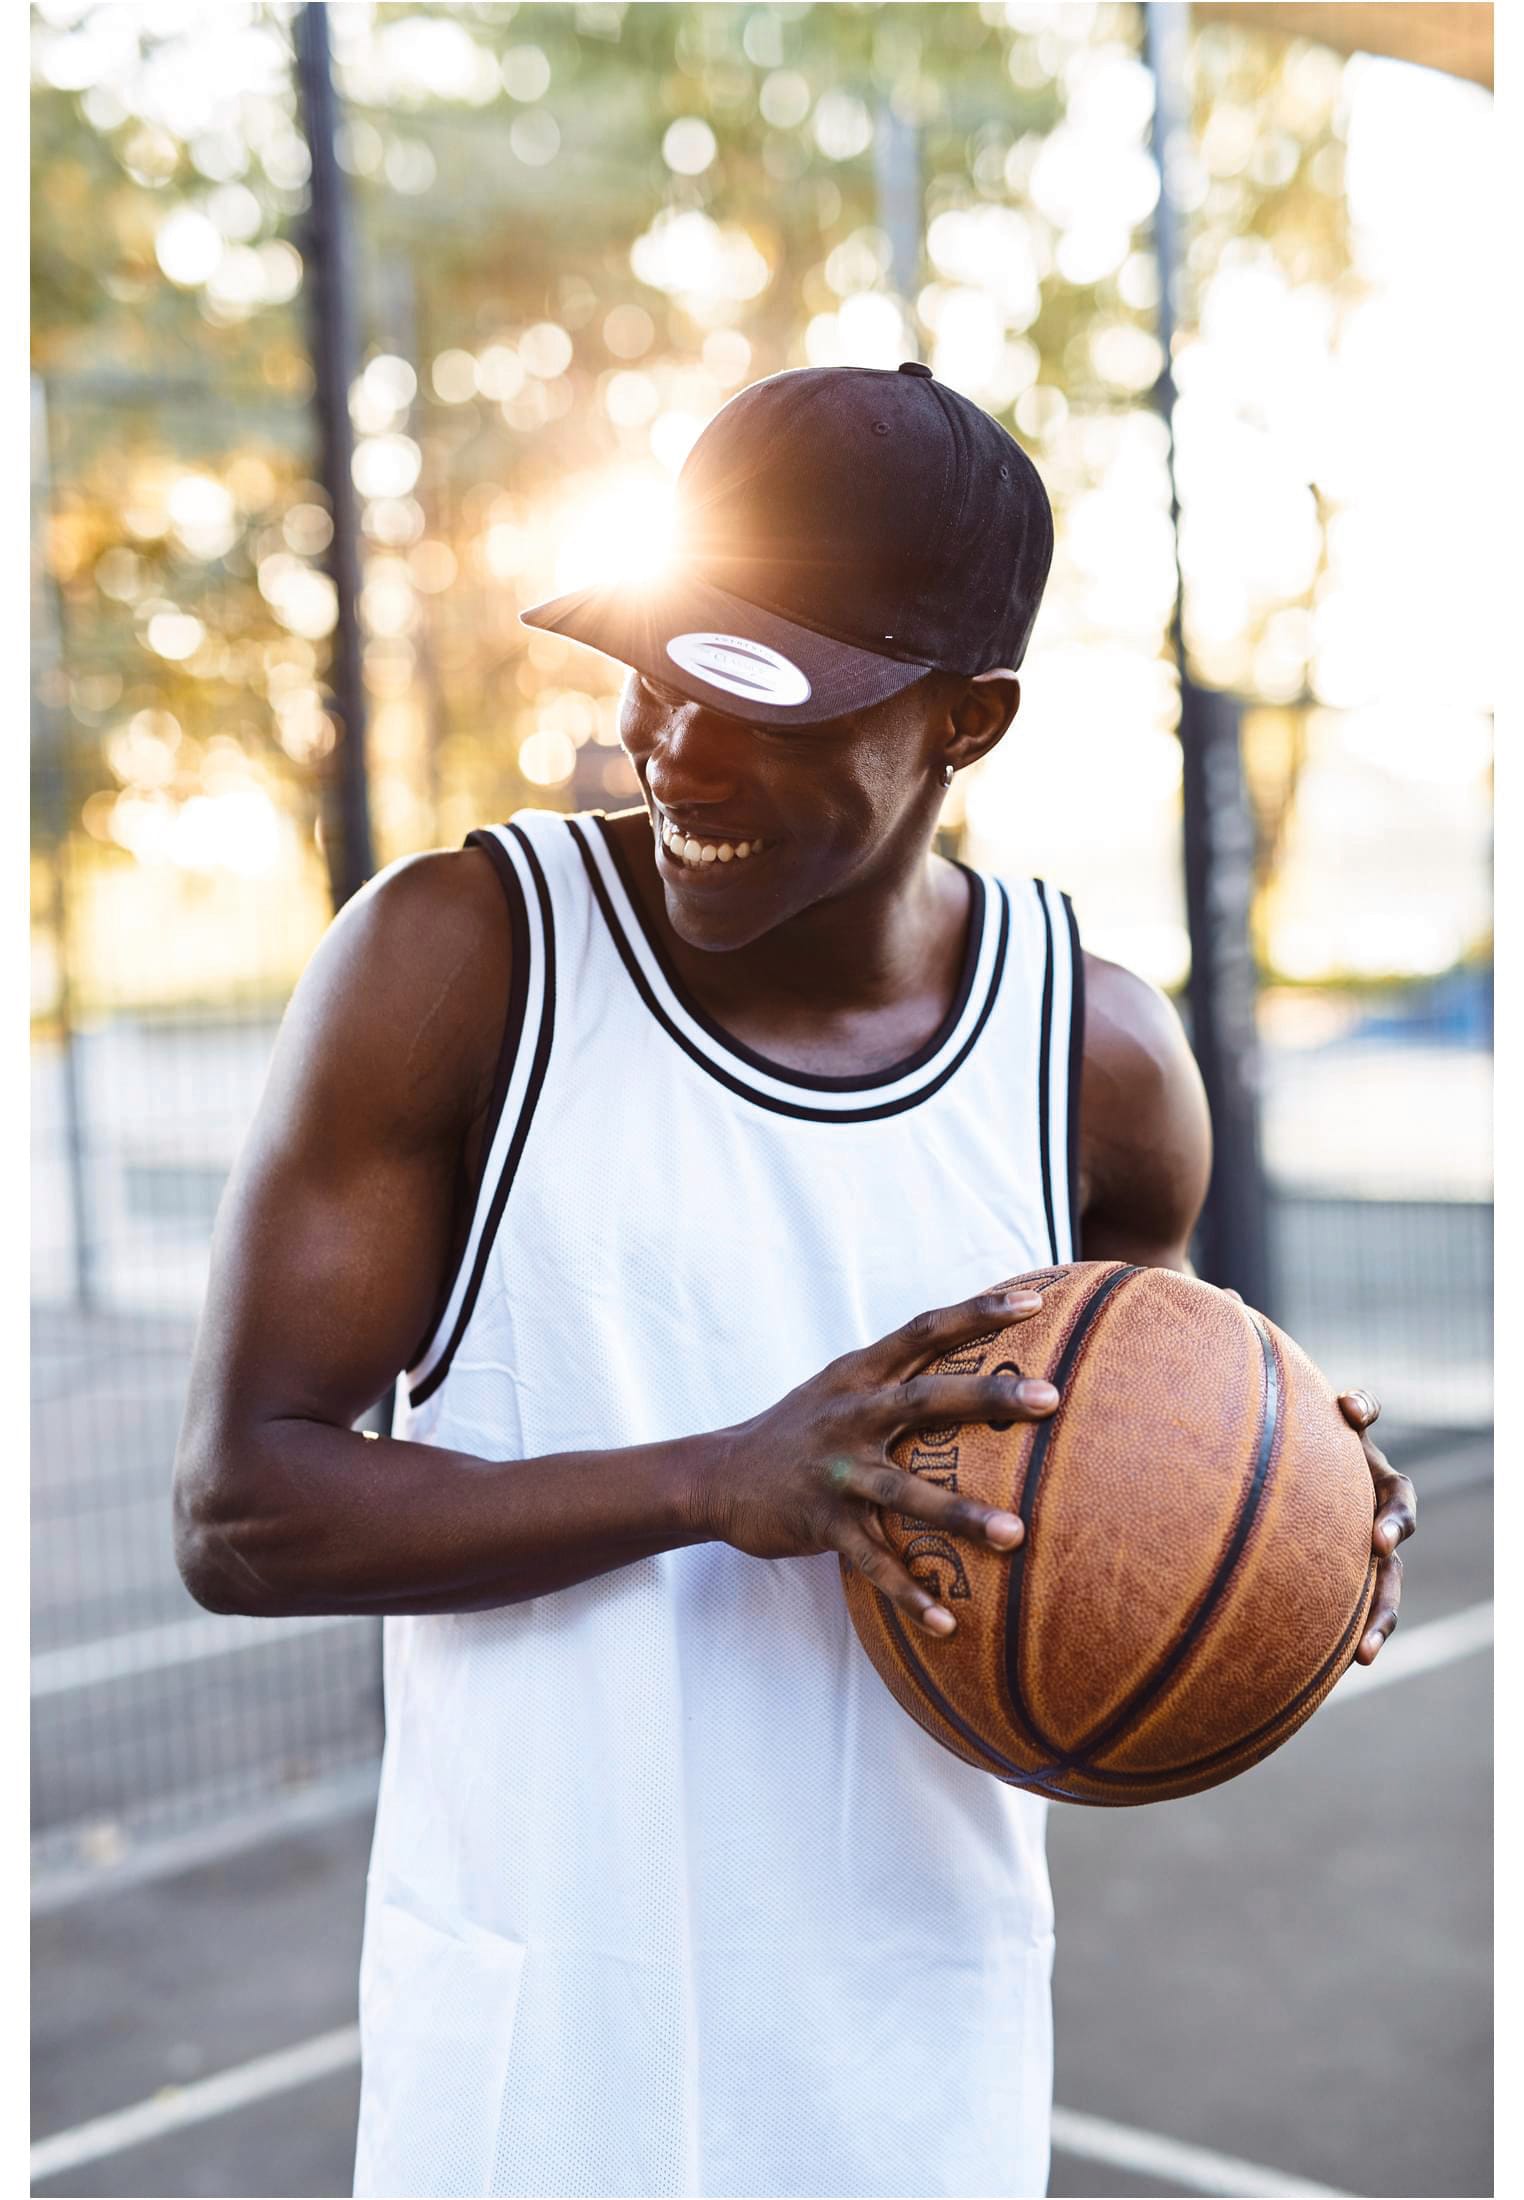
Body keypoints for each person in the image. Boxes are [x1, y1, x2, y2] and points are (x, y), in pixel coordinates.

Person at [173, 363, 1415, 2200]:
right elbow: (245, 1512)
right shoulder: (465, 967)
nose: (674, 748)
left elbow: (1139, 1485)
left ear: (965, 726)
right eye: (657, 669)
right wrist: (717, 1480)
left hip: (913, 2045)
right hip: (535, 2056)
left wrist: (1295, 1522)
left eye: (762, 706)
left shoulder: (1099, 1067)